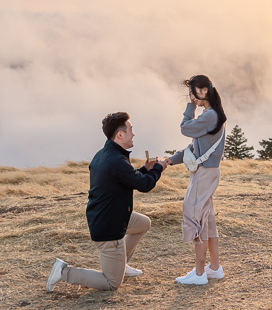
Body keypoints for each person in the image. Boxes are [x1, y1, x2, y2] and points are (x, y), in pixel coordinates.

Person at [46, 111, 168, 292]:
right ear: (120, 135)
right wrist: (158, 168)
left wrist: (144, 169)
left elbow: (126, 178)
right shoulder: (116, 160)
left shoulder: (105, 154)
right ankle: (64, 272)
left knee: (143, 223)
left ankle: (121, 263)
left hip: (109, 216)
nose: (133, 133)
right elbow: (144, 185)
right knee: (111, 283)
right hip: (109, 227)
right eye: (131, 129)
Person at [163, 74, 227, 285]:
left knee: (195, 219)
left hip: (204, 174)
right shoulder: (210, 114)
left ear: (203, 90)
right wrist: (170, 160)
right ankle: (214, 268)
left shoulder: (209, 116)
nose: (192, 97)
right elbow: (194, 148)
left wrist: (190, 107)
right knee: (207, 220)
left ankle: (199, 274)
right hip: (206, 172)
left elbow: (184, 128)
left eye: (193, 92)